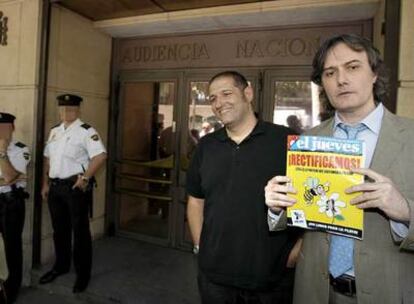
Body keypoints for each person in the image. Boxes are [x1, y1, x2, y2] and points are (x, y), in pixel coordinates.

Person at [264, 34, 414, 304]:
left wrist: (405, 211)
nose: (341, 79)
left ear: (374, 74)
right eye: (330, 72)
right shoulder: (306, 140)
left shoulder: (410, 136)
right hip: (316, 291)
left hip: (388, 292)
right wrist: (277, 207)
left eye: (353, 67)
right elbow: (302, 210)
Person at [186, 71, 301, 304]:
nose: (219, 103)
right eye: (212, 98)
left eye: (226, 93)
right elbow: (196, 201)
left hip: (272, 279)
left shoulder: (287, 141)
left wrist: (297, 254)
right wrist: (200, 246)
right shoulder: (206, 146)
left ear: (247, 93)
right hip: (214, 278)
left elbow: (311, 203)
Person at [39, 94, 107, 293]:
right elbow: (47, 159)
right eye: (62, 109)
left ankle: (82, 274)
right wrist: (45, 184)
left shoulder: (86, 131)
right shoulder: (54, 131)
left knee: (80, 233)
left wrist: (85, 177)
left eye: (70, 109)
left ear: (78, 110)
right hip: (55, 188)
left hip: (75, 188)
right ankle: (60, 266)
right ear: (59, 110)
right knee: (59, 230)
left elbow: (100, 155)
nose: (66, 112)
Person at [0, 113, 30, 304]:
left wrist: (2, 153)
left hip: (10, 204)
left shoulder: (21, 149)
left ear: (12, 128)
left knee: (12, 247)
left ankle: (11, 290)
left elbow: (10, 177)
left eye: (4, 127)